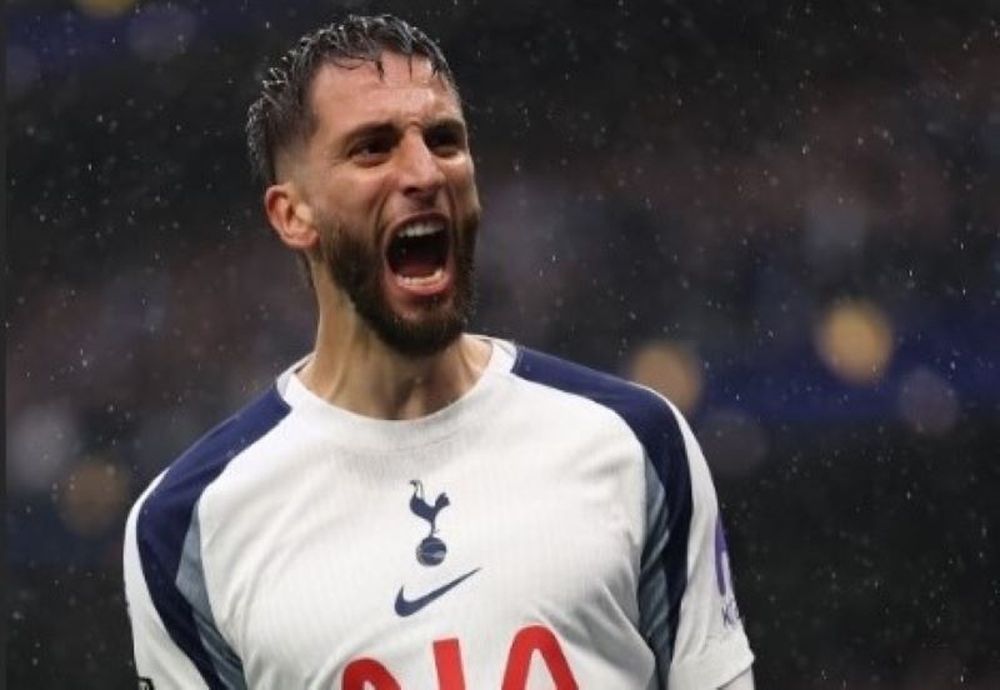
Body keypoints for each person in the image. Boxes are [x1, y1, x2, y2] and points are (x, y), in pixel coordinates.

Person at [122, 14, 755, 690]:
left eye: (445, 140)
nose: (425, 171)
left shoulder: (635, 442)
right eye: (373, 149)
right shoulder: (188, 527)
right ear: (292, 214)